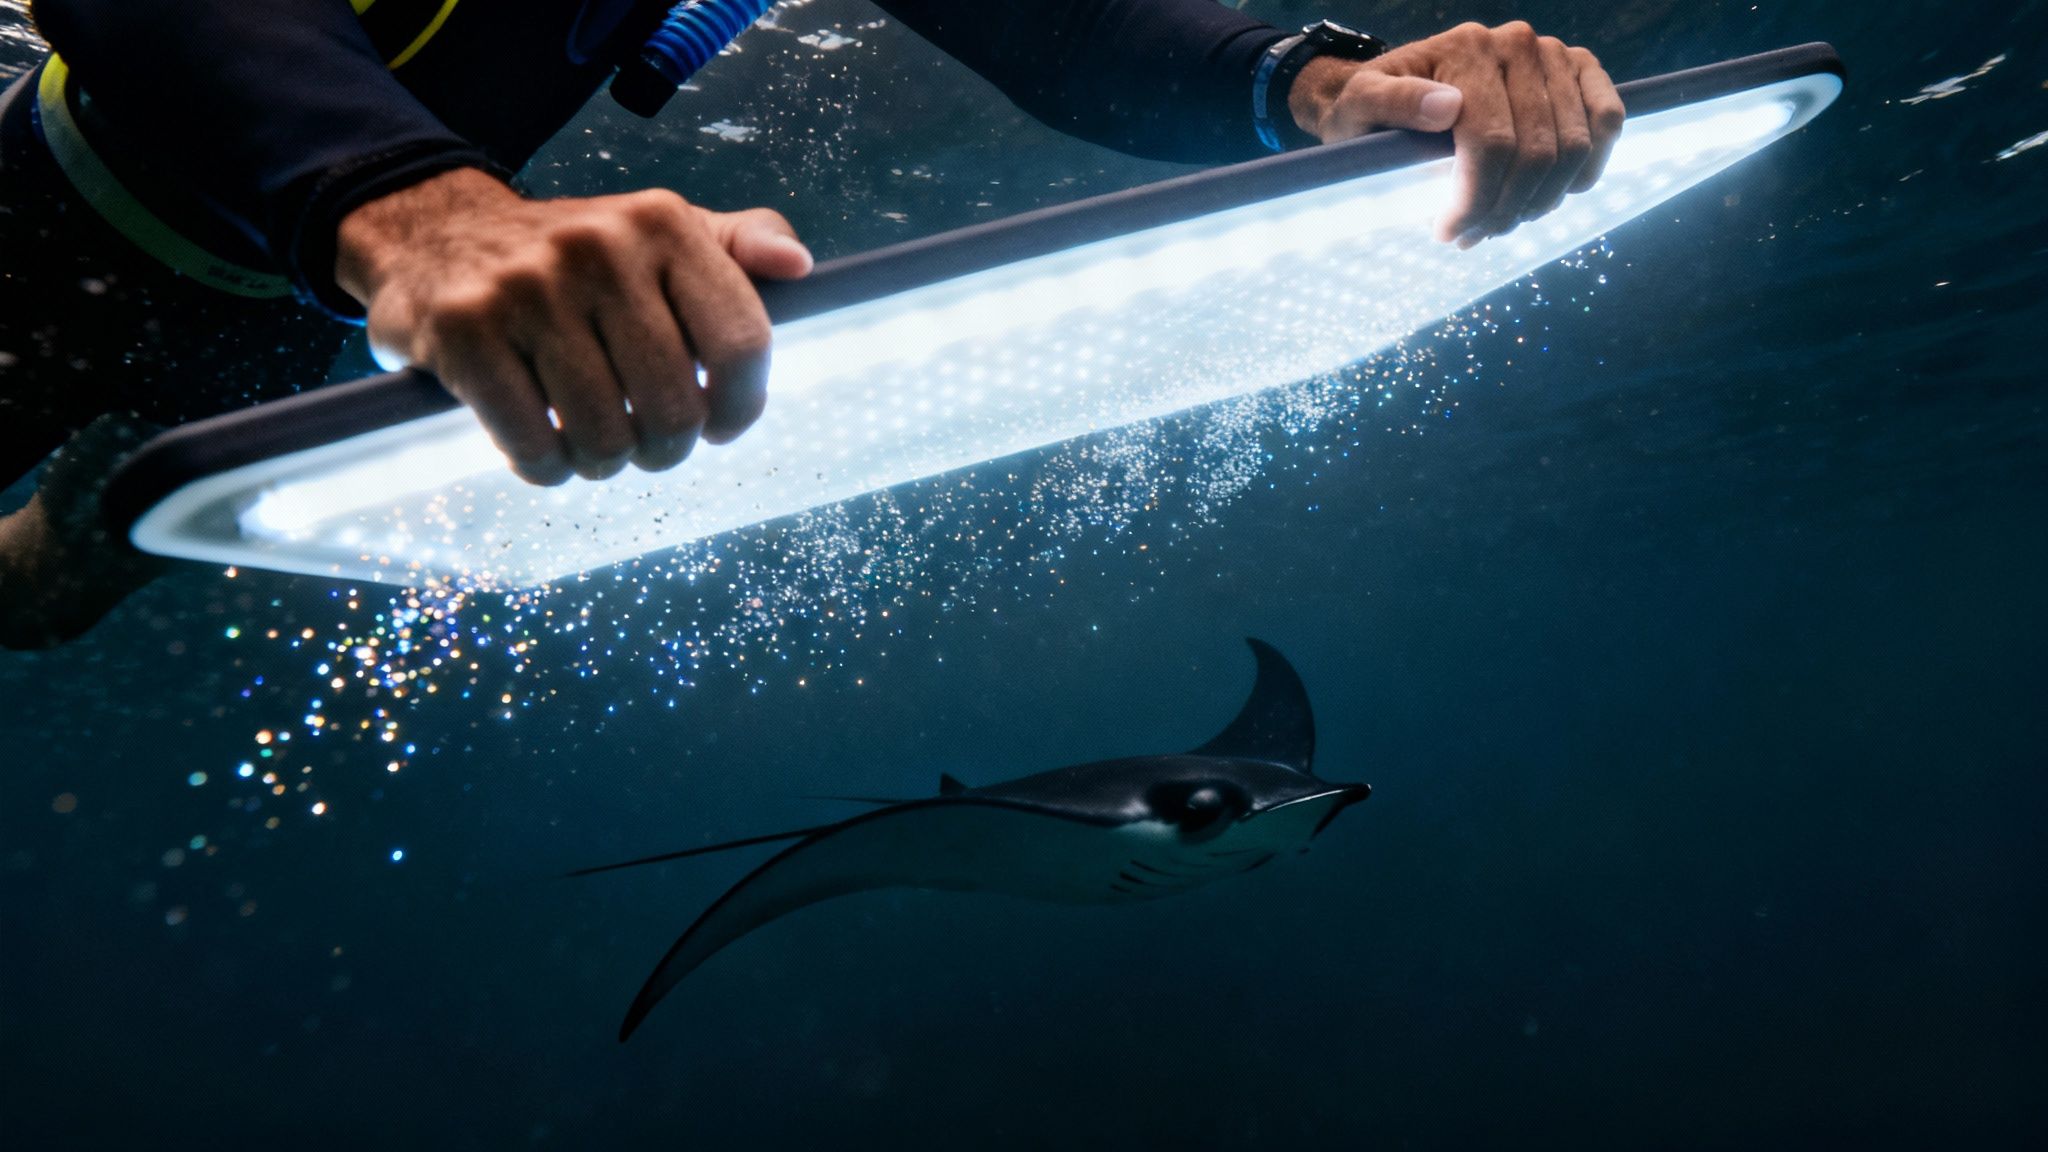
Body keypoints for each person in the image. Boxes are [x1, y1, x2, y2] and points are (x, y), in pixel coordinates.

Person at [0, 1, 1623, 649]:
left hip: (272, 303)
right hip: (38, 222)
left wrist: (1326, 83)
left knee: (50, 592)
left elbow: (1062, 24)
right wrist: (427, 213)